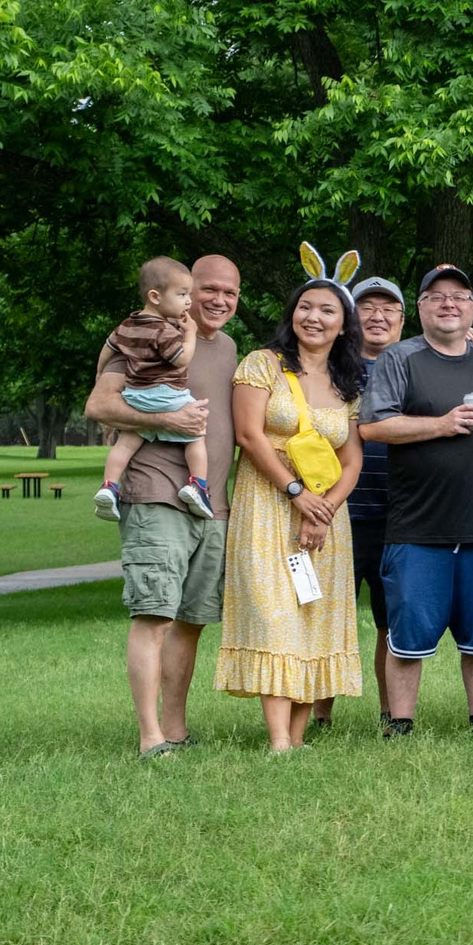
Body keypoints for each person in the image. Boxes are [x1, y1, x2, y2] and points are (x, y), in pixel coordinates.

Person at [89, 254, 239, 758]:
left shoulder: (230, 348)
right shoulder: (143, 334)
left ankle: (175, 729)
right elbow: (99, 405)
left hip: (210, 504)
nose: (218, 300)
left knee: (192, 620)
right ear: (185, 290)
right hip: (156, 495)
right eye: (208, 289)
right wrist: (171, 424)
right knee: (155, 614)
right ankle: (150, 736)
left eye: (230, 293)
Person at [357, 263, 473, 738]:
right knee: (408, 636)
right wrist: (442, 424)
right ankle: (400, 724)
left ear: (472, 309)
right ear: (420, 308)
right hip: (417, 524)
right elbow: (374, 426)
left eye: (460, 297)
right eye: (437, 296)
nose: (449, 303)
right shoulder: (399, 359)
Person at [218, 275, 365, 751]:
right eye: (305, 307)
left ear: (344, 325)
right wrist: (296, 493)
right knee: (274, 614)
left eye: (327, 310)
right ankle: (279, 738)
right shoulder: (262, 364)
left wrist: (321, 511)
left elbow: (352, 459)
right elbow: (249, 436)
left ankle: (297, 738)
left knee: (313, 616)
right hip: (266, 507)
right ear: (292, 313)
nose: (314, 317)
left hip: (325, 517)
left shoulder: (349, 383)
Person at [320, 273, 406, 731]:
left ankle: (393, 714)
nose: (377, 316)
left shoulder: (417, 363)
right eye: (367, 307)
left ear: (402, 318)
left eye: (388, 308)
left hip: (400, 516)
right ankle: (319, 715)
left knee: (392, 625)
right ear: (352, 317)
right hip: (337, 513)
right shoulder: (329, 365)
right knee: (327, 616)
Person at [94, 257, 213, 522]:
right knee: (196, 433)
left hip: (136, 396)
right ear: (155, 296)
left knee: (125, 444)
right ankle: (198, 485)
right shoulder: (165, 331)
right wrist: (190, 333)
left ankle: (109, 486)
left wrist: (100, 371)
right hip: (167, 395)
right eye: (182, 294)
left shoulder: (127, 325)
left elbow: (108, 347)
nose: (188, 302)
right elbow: (182, 358)